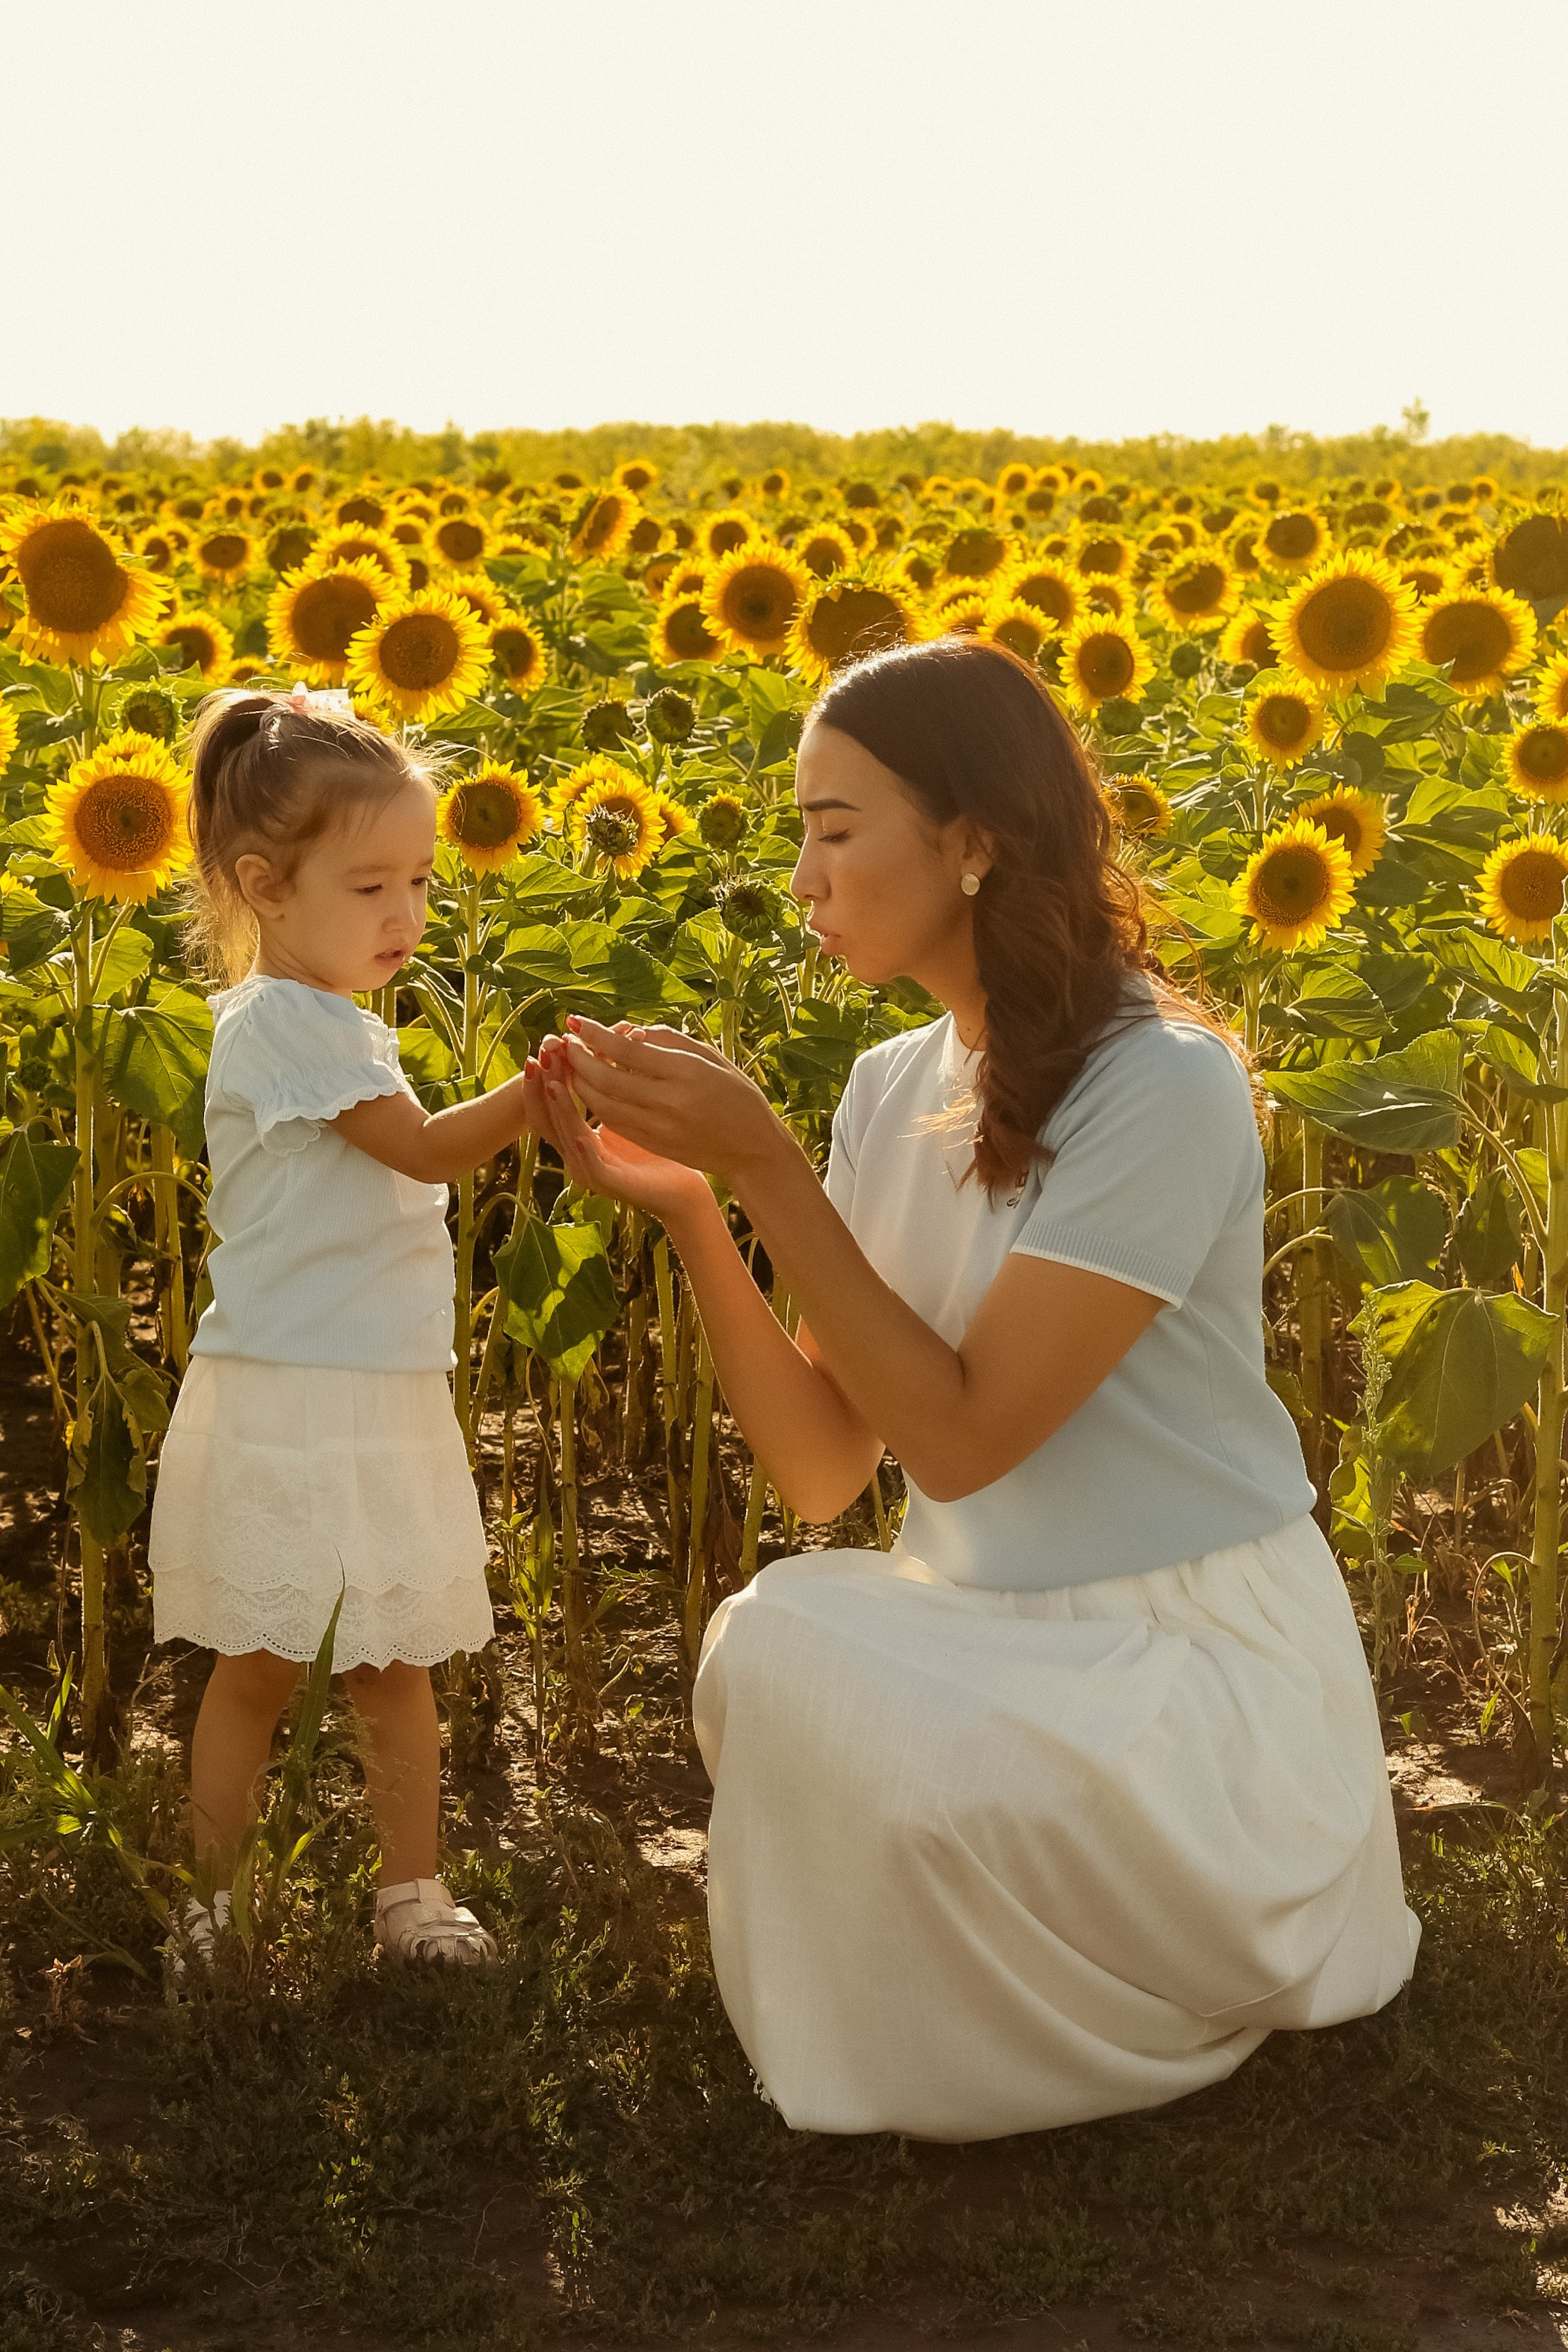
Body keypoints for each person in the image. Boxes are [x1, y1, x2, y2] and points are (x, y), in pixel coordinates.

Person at [524, 635, 1420, 2143]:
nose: (801, 877)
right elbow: (824, 1469)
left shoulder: (1162, 1080)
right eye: (797, 833)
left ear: (974, 841)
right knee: (772, 1644)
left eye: (833, 829)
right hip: (986, 1637)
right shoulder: (888, 1085)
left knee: (815, 1669)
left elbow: (962, 1441)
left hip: (1190, 1669)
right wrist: (694, 1206)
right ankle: (1010, 1985)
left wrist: (765, 1165)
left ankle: (1151, 1959)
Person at [150, 686, 528, 1970]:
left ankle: (411, 1893)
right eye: (372, 887)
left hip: (375, 1385)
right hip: (297, 1394)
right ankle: (215, 1902)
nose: (406, 914)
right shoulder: (279, 1022)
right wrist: (536, 1090)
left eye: (418, 882)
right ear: (263, 886)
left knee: (395, 1659)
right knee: (260, 1663)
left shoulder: (333, 1018)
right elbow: (419, 1147)